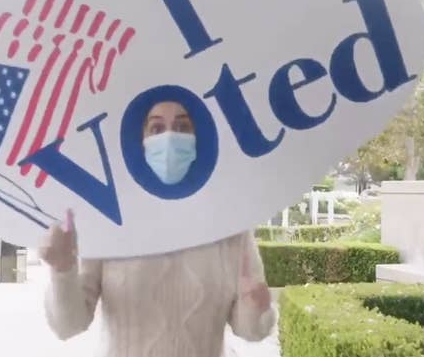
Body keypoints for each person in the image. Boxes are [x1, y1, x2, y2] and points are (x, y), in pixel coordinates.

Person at [39, 101, 276, 357]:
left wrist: (256, 305)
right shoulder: (111, 222)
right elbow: (68, 326)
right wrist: (62, 271)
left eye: (183, 126)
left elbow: (252, 330)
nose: (170, 137)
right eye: (156, 128)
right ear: (141, 140)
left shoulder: (230, 227)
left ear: (199, 136)